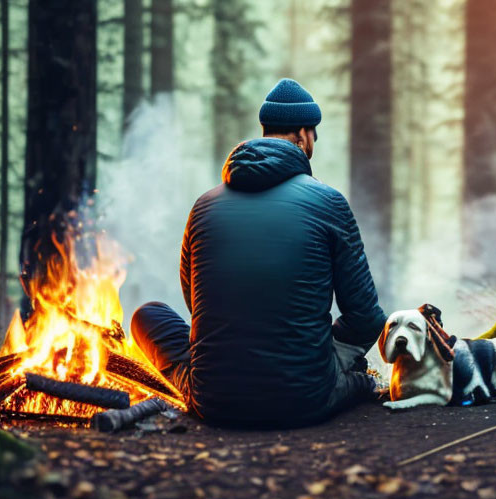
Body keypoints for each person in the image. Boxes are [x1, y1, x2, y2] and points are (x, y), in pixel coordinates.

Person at [131, 78, 387, 428]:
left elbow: (197, 304)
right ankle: (337, 375)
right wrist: (327, 352)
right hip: (305, 399)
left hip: (213, 400)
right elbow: (366, 318)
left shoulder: (203, 206)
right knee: (361, 379)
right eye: (314, 135)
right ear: (302, 135)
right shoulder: (328, 202)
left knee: (149, 316)